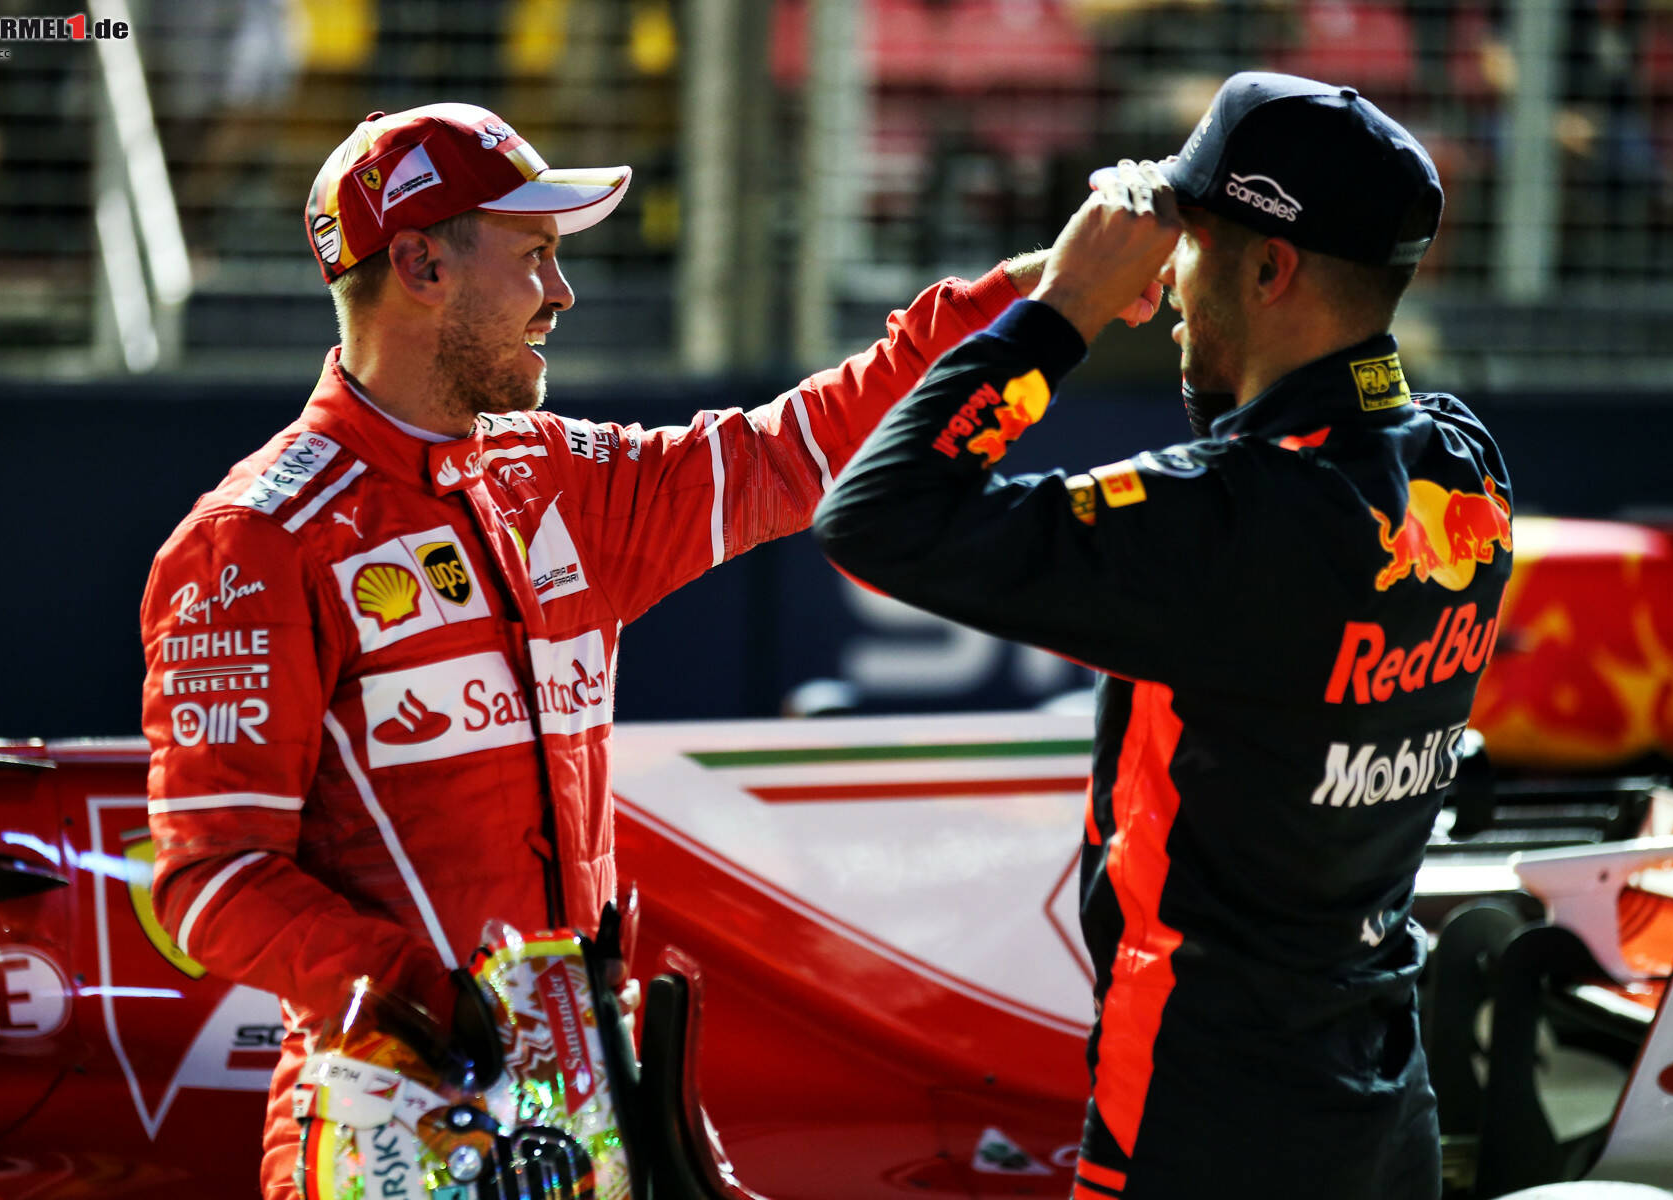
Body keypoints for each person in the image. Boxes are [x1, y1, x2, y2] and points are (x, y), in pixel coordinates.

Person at [139, 101, 1037, 1198]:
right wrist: (431, 994)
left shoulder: (554, 478)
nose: (561, 293)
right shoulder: (255, 540)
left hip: (583, 1111)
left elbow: (795, 449)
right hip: (392, 1134)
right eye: (534, 255)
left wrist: (1039, 303)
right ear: (420, 265)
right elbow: (210, 877)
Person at [815, 72, 1511, 1200]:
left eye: (1189, 244)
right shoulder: (1465, 460)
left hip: (1207, 1114)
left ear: (1271, 269)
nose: (1171, 278)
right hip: (1383, 1104)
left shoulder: (1237, 518)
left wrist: (1063, 312)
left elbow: (877, 519)